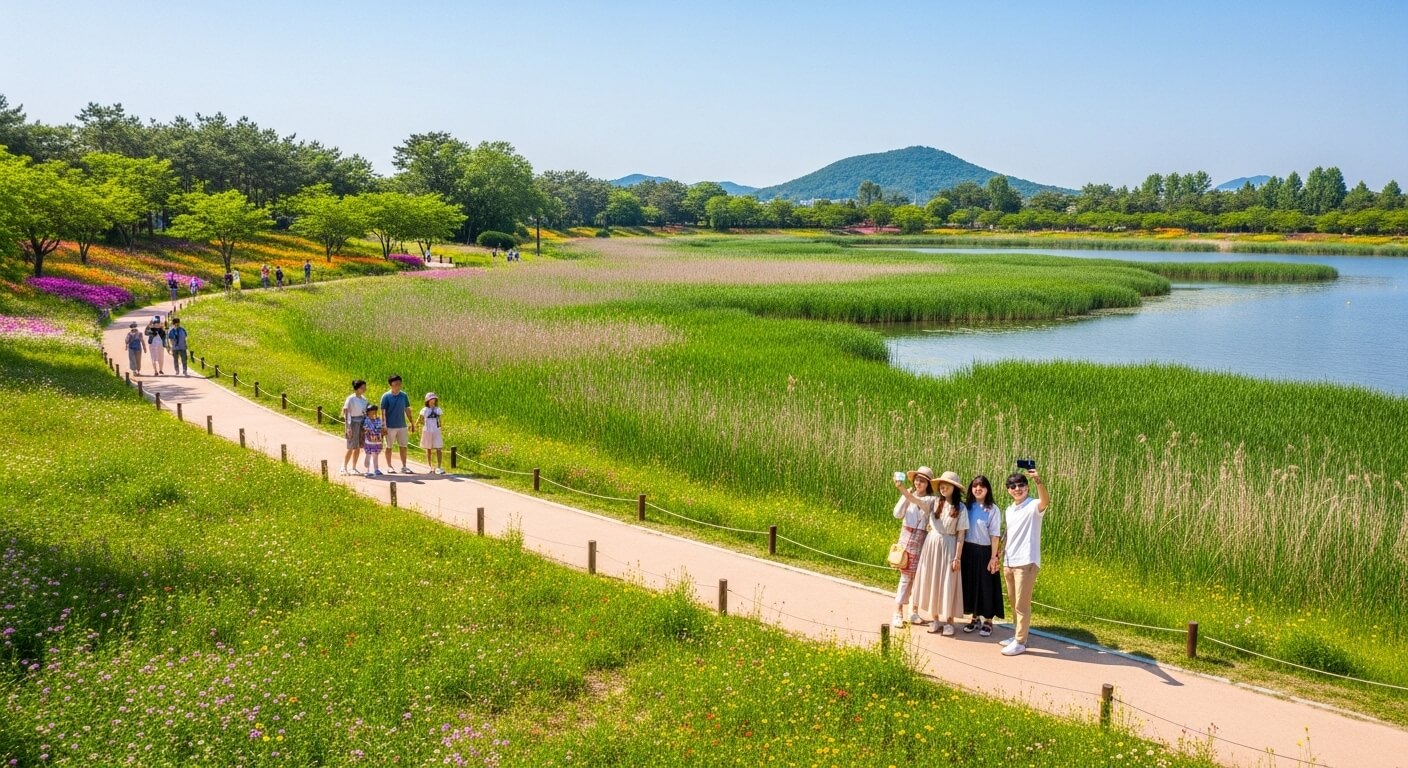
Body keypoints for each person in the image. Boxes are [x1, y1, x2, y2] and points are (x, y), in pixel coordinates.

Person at [999, 467, 1050, 657]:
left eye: (1021, 485)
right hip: (1009, 561)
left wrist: (1038, 480)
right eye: (1013, 486)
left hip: (1027, 561)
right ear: (1008, 490)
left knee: (1022, 603)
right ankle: (1017, 635)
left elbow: (1045, 501)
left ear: (1027, 487)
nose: (1017, 489)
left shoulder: (1033, 505)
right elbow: (1008, 535)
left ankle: (1020, 641)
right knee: (1013, 602)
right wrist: (1000, 556)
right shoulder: (1009, 510)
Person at [914, 471, 968, 635]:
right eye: (941, 486)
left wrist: (957, 557)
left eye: (947, 485)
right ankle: (935, 618)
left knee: (948, 582)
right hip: (932, 544)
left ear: (954, 488)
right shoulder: (934, 501)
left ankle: (949, 621)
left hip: (949, 545)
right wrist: (901, 488)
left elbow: (961, 534)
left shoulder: (961, 507)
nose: (943, 488)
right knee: (933, 580)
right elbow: (915, 500)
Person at [890, 467, 936, 629]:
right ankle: (898, 611)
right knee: (905, 577)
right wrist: (905, 496)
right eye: (917, 479)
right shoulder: (908, 496)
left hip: (921, 539)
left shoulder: (931, 500)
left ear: (928, 484)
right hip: (906, 537)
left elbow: (921, 505)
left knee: (918, 578)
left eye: (922, 480)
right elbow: (897, 514)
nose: (918, 483)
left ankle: (913, 611)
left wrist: (904, 491)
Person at [961, 475, 1004, 637]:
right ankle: (974, 618)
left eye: (982, 486)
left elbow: (995, 535)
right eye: (975, 486)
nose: (978, 489)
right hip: (968, 550)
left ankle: (988, 620)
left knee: (987, 586)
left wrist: (994, 557)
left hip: (986, 551)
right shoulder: (967, 507)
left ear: (987, 489)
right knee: (970, 585)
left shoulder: (993, 509)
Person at [379, 375, 415, 474]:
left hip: (402, 425)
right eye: (395, 384)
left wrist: (411, 422)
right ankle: (389, 466)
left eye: (399, 384)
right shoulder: (386, 396)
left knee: (403, 446)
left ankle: (404, 466)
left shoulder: (404, 395)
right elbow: (383, 412)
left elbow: (407, 409)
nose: (398, 386)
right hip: (390, 426)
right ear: (391, 385)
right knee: (389, 446)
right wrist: (384, 425)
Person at [341, 380, 369, 476]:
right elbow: (346, 413)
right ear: (357, 389)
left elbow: (366, 412)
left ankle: (354, 467)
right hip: (352, 422)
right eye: (362, 387)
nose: (364, 389)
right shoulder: (350, 399)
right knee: (351, 446)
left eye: (365, 387)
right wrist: (348, 427)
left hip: (361, 422)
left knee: (358, 447)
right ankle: (344, 467)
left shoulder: (364, 399)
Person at [417, 392, 445, 474]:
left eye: (434, 399)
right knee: (428, 448)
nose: (433, 400)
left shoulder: (438, 409)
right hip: (427, 430)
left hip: (436, 430)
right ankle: (429, 466)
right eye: (431, 399)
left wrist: (441, 427)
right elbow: (420, 419)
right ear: (427, 400)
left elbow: (440, 420)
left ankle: (439, 466)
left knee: (439, 448)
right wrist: (415, 425)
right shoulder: (424, 410)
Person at [361, 405, 385, 476]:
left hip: (377, 440)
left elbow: (380, 428)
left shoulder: (378, 420)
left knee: (375, 455)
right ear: (368, 413)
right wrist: (368, 430)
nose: (373, 414)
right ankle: (367, 470)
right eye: (371, 412)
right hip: (369, 441)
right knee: (368, 454)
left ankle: (376, 469)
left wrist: (381, 431)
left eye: (375, 412)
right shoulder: (366, 420)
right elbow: (365, 428)